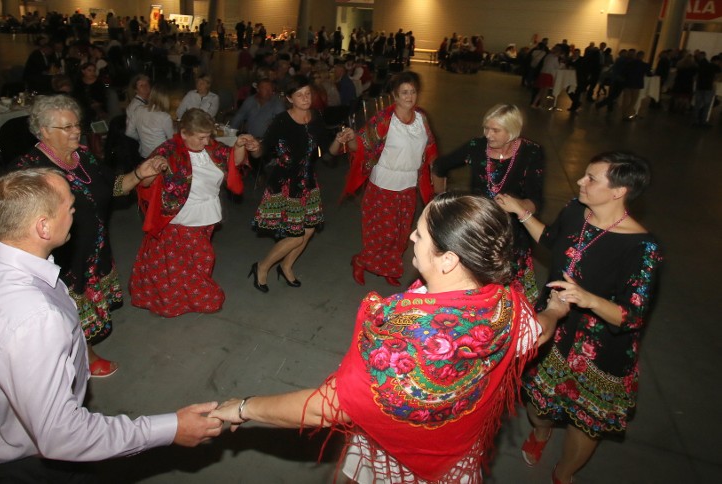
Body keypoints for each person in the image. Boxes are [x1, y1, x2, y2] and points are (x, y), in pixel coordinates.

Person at [0, 168, 223, 482]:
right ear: (43, 227)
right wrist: (170, 428)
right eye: (69, 207)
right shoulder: (36, 319)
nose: (74, 213)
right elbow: (63, 435)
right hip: (25, 465)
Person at [212, 193, 568, 483]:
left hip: (396, 461)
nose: (411, 237)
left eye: (420, 233)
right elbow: (537, 333)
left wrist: (244, 408)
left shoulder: (404, 338)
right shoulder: (505, 303)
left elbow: (329, 406)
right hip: (456, 457)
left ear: (448, 260)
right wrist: (555, 311)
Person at [495, 152, 662, 484]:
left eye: (591, 179)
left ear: (619, 191)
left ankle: (564, 471)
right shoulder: (575, 211)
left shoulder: (642, 248)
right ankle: (541, 434)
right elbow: (551, 240)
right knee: (538, 404)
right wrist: (522, 212)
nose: (581, 182)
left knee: (585, 421)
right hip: (555, 328)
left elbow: (631, 316)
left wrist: (589, 299)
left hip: (600, 351)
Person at [14, 95, 160, 377]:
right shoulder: (29, 170)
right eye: (66, 128)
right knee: (70, 312)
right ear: (43, 131)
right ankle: (85, 357)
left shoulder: (84, 156)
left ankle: (84, 350)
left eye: (77, 125)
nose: (76, 131)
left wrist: (140, 173)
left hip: (94, 248)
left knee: (88, 307)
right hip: (62, 258)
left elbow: (115, 186)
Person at [130, 109, 259, 317]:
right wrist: (153, 171)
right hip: (182, 218)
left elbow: (232, 161)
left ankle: (183, 298)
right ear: (184, 134)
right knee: (199, 259)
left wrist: (240, 145)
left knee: (186, 263)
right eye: (201, 137)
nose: (207, 142)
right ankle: (190, 298)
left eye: (208, 136)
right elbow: (143, 182)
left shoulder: (210, 147)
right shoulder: (167, 151)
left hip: (206, 215)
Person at [334, 71, 437, 287]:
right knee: (380, 233)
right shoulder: (383, 120)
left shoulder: (421, 118)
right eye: (404, 93)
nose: (410, 97)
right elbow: (361, 146)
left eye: (413, 92)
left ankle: (389, 267)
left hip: (408, 185)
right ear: (395, 96)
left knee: (400, 234)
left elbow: (429, 150)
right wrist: (351, 139)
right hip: (383, 184)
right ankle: (361, 262)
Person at [432, 104, 544, 302]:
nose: (488, 135)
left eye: (495, 130)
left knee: (511, 296)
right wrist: (441, 200)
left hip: (512, 235)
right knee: (476, 291)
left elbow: (536, 201)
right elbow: (440, 166)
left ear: (512, 131)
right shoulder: (476, 147)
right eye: (486, 128)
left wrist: (517, 206)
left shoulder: (531, 153)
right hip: (478, 230)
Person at [250, 75, 332, 292]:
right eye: (299, 95)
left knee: (308, 231)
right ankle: (262, 266)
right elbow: (262, 150)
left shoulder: (316, 117)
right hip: (286, 184)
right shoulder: (281, 121)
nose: (305, 98)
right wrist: (253, 147)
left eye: (308, 93)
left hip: (308, 181)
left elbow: (328, 152)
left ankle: (286, 266)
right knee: (295, 236)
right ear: (289, 98)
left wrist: (340, 141)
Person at [125, 75, 175, 158]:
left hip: (144, 153)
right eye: (141, 85)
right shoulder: (135, 107)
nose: (145, 87)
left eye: (147, 84)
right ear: (135, 90)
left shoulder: (143, 106)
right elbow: (130, 132)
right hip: (157, 154)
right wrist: (142, 139)